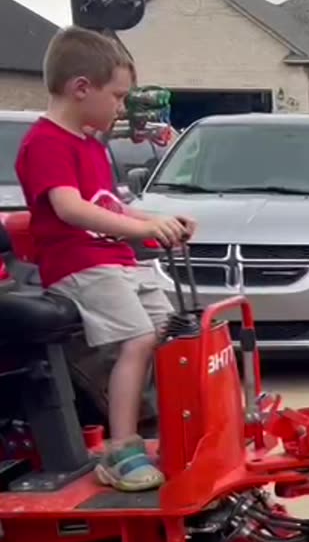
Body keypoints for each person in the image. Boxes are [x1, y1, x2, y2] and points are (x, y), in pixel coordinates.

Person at [13, 26, 195, 492]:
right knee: (135, 338)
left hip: (112, 260)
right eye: (117, 96)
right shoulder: (47, 143)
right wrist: (143, 229)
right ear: (81, 88)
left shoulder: (91, 145)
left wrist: (160, 221)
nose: (120, 107)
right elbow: (71, 209)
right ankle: (121, 448)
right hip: (78, 265)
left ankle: (172, 428)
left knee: (167, 327)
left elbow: (110, 207)